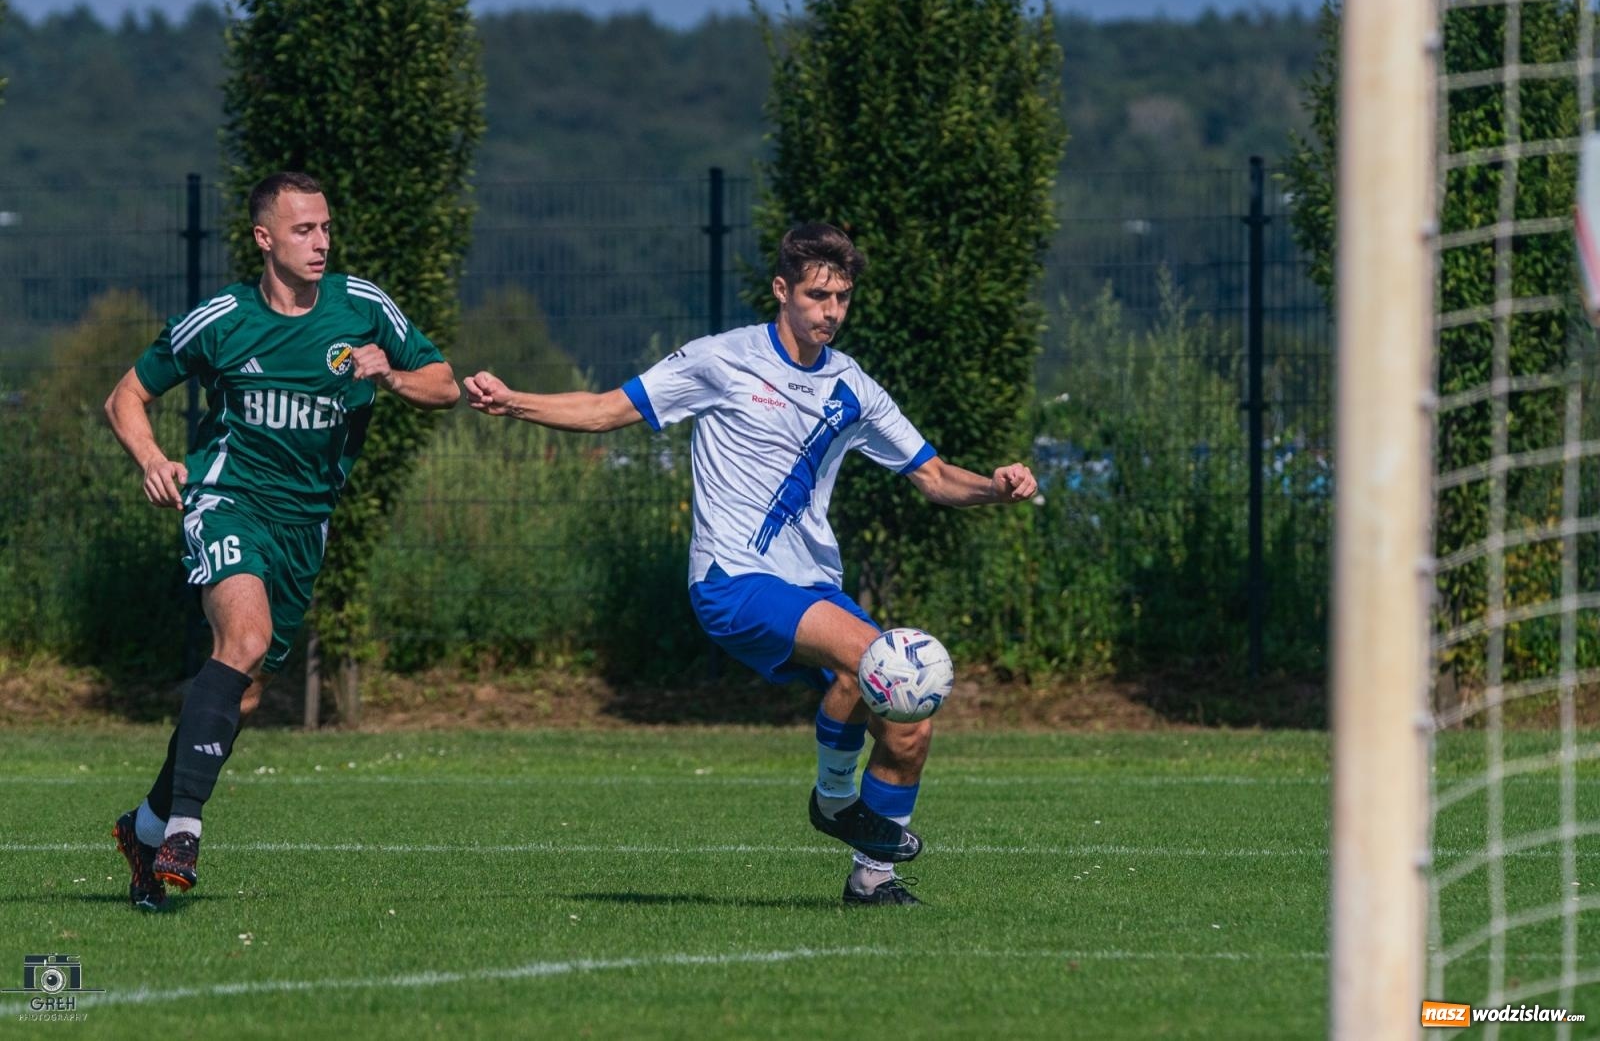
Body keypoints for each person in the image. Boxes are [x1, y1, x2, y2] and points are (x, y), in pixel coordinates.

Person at [464, 222, 1037, 906]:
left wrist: (994, 487)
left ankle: (872, 880)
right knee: (879, 661)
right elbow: (606, 409)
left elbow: (935, 476)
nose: (831, 311)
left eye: (843, 298)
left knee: (909, 719)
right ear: (782, 290)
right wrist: (514, 402)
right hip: (732, 581)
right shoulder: (721, 360)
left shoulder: (853, 387)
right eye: (818, 295)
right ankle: (833, 801)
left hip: (811, 586)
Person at [103, 171, 460, 909]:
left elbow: (445, 383)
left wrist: (392, 375)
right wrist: (154, 460)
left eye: (325, 227)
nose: (321, 241)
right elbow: (125, 395)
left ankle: (146, 826)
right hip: (227, 499)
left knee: (247, 690)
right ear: (265, 238)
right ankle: (185, 829)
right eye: (304, 229)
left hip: (305, 524)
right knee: (245, 638)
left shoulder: (362, 307)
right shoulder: (222, 319)